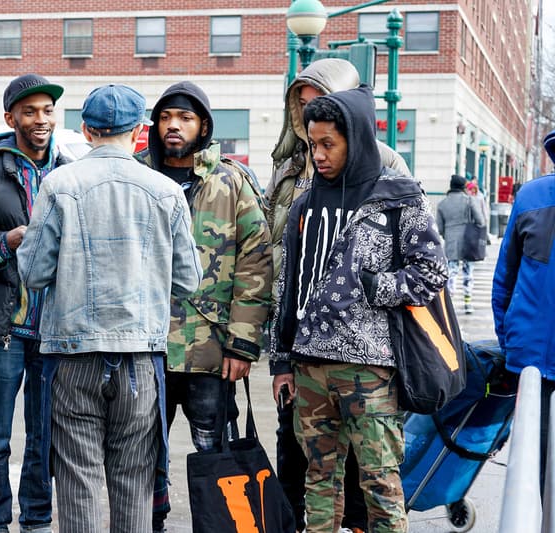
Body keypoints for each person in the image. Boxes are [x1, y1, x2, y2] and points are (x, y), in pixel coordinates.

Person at [17, 83, 201, 532]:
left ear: (86, 130)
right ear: (140, 132)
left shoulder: (59, 184)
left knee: (77, 482)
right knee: (135, 482)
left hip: (72, 354)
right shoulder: (165, 191)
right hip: (140, 355)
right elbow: (189, 280)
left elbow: (34, 273)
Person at [273, 85, 447, 533]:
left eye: (329, 143)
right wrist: (280, 360)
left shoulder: (399, 197)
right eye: (313, 145)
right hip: (309, 366)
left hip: (370, 371)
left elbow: (431, 273)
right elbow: (287, 285)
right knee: (319, 481)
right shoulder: (305, 202)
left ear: (358, 139)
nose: (319, 155)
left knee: (381, 484)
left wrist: (376, 287)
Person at [137, 81, 272, 532]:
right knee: (141, 450)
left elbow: (256, 264)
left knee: (214, 449)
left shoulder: (231, 181)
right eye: (166, 117)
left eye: (185, 117)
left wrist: (242, 344)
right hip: (144, 344)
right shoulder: (137, 175)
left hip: (209, 349)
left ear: (204, 126)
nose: (173, 125)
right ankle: (149, 523)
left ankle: (219, 525)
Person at [0, 73, 70, 533]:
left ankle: (37, 518)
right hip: (3, 326)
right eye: (30, 112)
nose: (40, 120)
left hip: (55, 329)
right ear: (11, 118)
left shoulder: (67, 167)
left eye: (47, 110)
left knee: (44, 437)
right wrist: (5, 241)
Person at [492, 128, 555, 499]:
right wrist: (510, 339)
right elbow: (506, 277)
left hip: (529, 354)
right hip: (531, 361)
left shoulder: (531, 196)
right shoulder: (531, 196)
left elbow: (505, 280)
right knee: (534, 472)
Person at [435, 174, 485, 314]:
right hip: (468, 242)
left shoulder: (442, 204)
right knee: (468, 272)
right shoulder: (469, 201)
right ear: (463, 187)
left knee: (452, 272)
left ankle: (449, 303)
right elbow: (480, 221)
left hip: (451, 242)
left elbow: (439, 228)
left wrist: (448, 234)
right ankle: (468, 302)